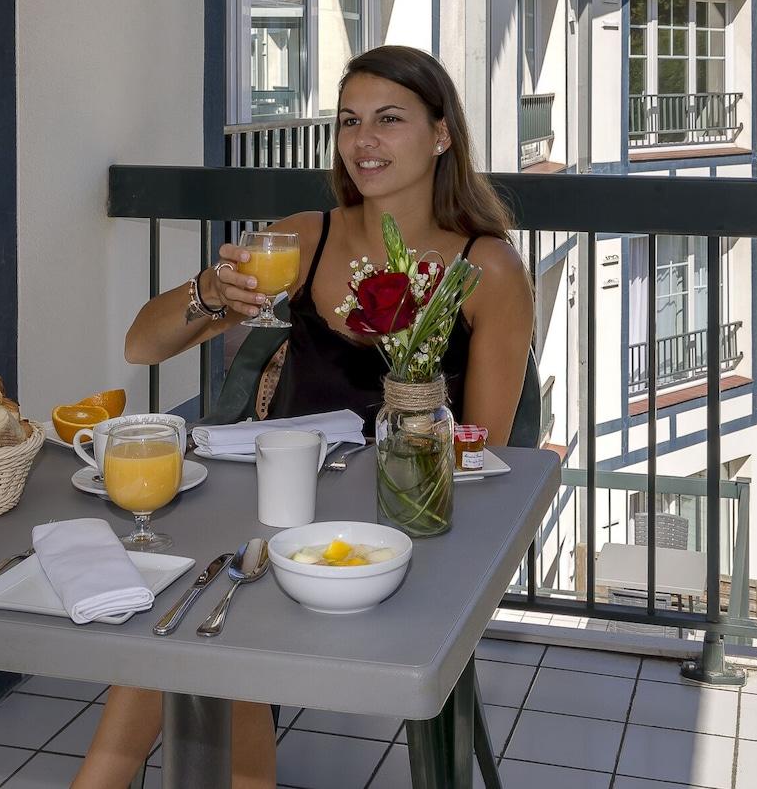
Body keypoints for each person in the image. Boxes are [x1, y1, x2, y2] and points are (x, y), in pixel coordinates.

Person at [72, 45, 535, 789]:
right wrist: (213, 293)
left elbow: (482, 450)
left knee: (212, 611)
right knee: (203, 606)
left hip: (393, 532)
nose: (363, 141)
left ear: (442, 133)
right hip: (277, 506)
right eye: (350, 121)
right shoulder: (305, 235)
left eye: (389, 119)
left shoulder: (488, 267)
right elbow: (141, 341)